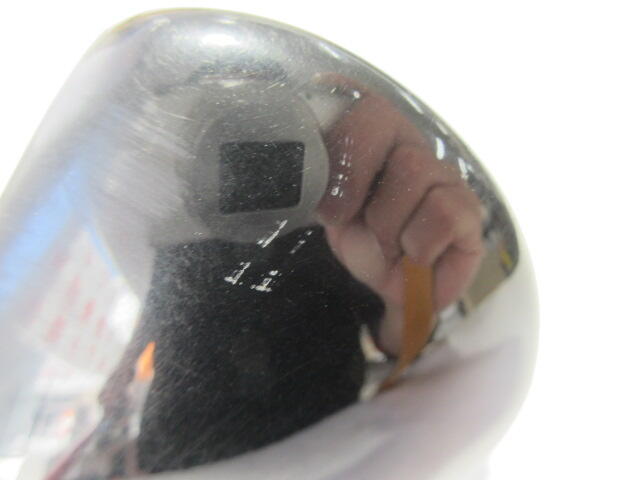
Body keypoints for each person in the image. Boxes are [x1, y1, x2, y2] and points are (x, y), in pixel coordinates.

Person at [99, 77, 485, 474]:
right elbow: (164, 306)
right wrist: (124, 366)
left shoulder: (344, 226)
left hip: (315, 443)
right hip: (194, 441)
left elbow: (391, 339)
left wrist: (412, 296)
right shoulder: (173, 223)